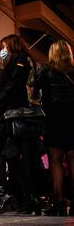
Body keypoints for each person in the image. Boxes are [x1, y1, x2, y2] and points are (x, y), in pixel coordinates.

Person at [0, 34, 40, 215]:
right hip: (8, 112)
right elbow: (1, 86)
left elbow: (14, 85)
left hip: (13, 113)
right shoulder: (8, 64)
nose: (1, 50)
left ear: (11, 45)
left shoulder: (20, 59)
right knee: (11, 154)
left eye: (3, 46)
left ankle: (5, 192)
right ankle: (30, 197)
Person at [34, 40, 74, 216]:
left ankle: (58, 203)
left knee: (55, 159)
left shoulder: (46, 70)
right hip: (73, 117)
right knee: (73, 159)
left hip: (54, 117)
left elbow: (35, 93)